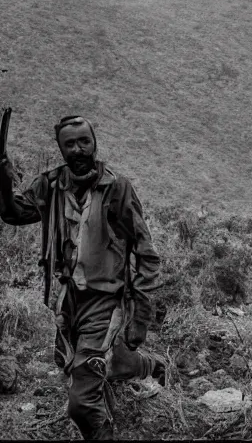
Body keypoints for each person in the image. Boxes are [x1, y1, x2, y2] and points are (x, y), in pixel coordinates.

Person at [0, 116, 164, 440]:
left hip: (105, 299)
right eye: (69, 143)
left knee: (80, 401)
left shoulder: (117, 188)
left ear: (94, 142)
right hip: (68, 301)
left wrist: (140, 316)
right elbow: (14, 213)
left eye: (84, 141)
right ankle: (150, 367)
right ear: (60, 148)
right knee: (92, 365)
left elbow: (148, 253)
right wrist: (3, 179)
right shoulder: (50, 184)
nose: (78, 149)